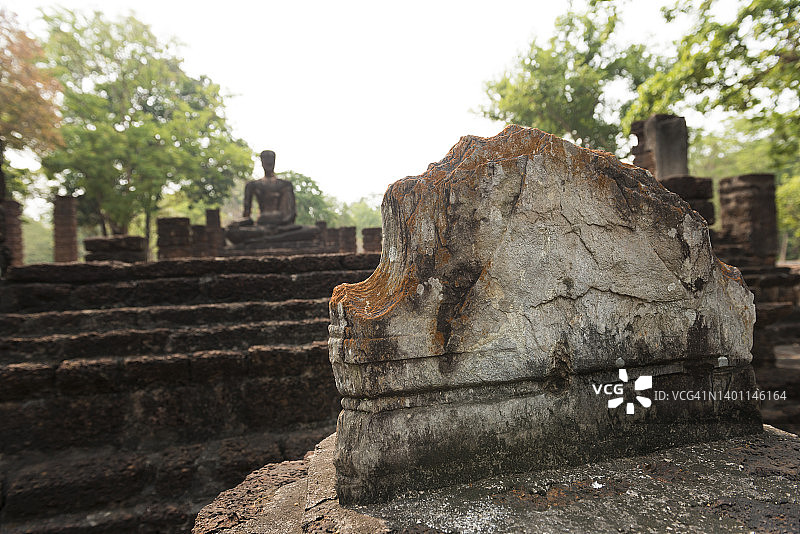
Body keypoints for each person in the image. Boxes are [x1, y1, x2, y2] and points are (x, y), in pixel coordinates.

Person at [239, 150, 297, 228]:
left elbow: (291, 212)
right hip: (261, 223)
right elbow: (246, 214)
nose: (268, 162)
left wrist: (285, 222)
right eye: (265, 159)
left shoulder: (285, 184)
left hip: (281, 223)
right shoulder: (253, 185)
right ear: (261, 162)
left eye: (271, 159)